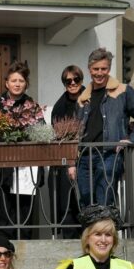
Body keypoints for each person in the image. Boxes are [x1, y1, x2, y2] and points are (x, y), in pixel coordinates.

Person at [73, 48, 134, 209]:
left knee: (105, 201)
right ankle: (93, 234)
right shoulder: (82, 99)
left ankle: (107, 233)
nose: (100, 73)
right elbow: (74, 132)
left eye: (104, 69)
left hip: (109, 154)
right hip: (84, 157)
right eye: (96, 69)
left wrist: (130, 139)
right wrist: (71, 162)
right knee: (86, 204)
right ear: (89, 69)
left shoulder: (123, 91)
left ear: (109, 69)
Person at [0, 61, 45, 236]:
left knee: (23, 211)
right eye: (14, 80)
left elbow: (42, 132)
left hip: (25, 167)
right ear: (7, 83)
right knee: (2, 209)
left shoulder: (32, 105)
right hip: (2, 167)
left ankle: (23, 244)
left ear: (26, 83)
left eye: (21, 81)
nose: (17, 84)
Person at [50, 66, 85, 236]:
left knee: (86, 204)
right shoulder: (60, 106)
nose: (72, 83)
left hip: (88, 160)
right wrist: (70, 162)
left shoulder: (91, 99)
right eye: (68, 81)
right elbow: (58, 136)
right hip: (65, 163)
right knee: (67, 204)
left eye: (76, 80)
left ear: (81, 80)